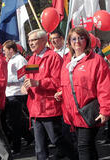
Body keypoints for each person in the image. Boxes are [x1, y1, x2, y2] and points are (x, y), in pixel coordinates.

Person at [56, 27, 110, 159]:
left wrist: (106, 110)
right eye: (73, 39)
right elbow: (67, 83)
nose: (77, 41)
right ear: (69, 42)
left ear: (87, 40)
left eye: (81, 38)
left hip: (89, 112)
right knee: (88, 147)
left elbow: (104, 87)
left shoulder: (96, 60)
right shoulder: (68, 62)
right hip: (72, 114)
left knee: (83, 147)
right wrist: (61, 92)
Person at [21, 29, 78, 160]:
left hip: (49, 107)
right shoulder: (31, 59)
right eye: (29, 41)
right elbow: (29, 79)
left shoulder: (53, 57)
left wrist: (38, 83)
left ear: (43, 41)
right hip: (35, 107)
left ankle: (75, 156)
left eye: (34, 40)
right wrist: (25, 87)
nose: (31, 43)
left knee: (56, 139)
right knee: (39, 146)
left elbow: (58, 81)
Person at [2, 40, 28, 154]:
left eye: (5, 51)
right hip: (9, 93)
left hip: (17, 94)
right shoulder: (10, 60)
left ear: (11, 50)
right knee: (12, 121)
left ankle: (16, 146)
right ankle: (28, 137)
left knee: (14, 122)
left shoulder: (20, 60)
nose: (4, 53)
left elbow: (24, 76)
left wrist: (6, 80)